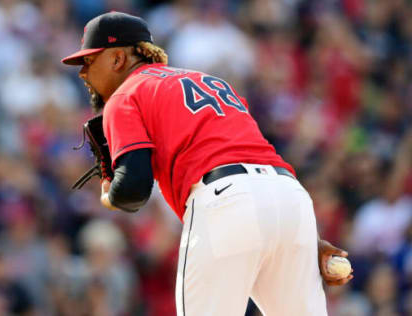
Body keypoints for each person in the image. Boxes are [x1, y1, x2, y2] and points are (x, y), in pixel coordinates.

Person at [61, 11, 353, 316]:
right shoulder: (209, 80)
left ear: (119, 59)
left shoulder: (126, 94)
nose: (83, 73)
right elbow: (250, 160)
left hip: (225, 202)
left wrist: (110, 193)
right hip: (291, 200)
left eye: (90, 61)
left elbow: (133, 189)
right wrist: (304, 239)